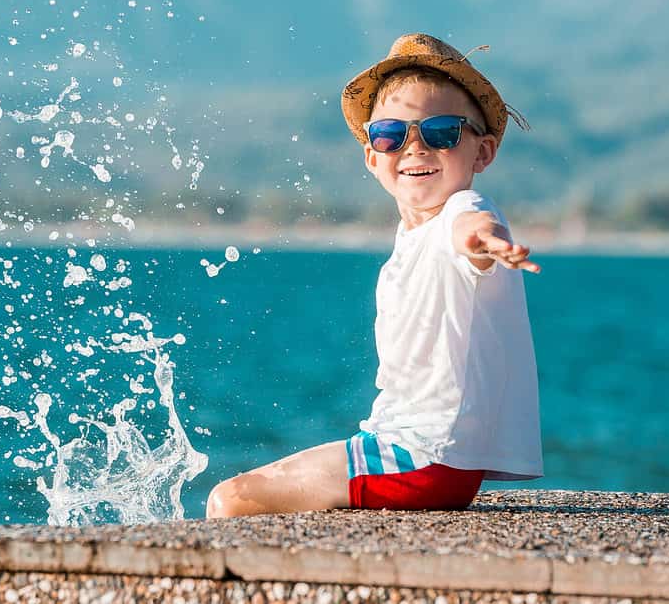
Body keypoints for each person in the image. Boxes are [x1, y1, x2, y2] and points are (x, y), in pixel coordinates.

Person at [206, 33, 543, 517]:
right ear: (372, 156)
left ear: (482, 153)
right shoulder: (411, 239)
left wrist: (485, 241)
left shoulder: (461, 210)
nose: (414, 148)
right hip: (416, 452)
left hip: (424, 459)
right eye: (390, 134)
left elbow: (470, 228)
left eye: (442, 132)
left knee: (230, 501)